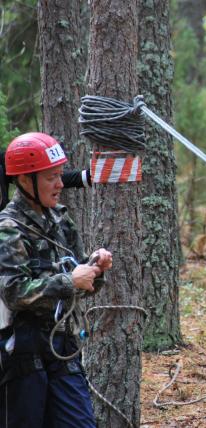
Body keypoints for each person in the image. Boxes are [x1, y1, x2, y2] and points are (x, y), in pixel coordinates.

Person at [0, 132, 112, 427]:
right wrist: (69, 281)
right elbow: (14, 292)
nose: (61, 184)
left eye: (60, 176)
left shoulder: (60, 220)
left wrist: (94, 270)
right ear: (25, 180)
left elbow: (78, 282)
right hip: (22, 353)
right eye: (52, 177)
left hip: (62, 347)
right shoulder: (8, 229)